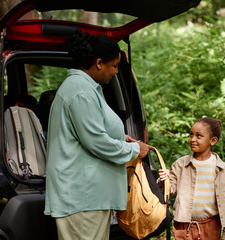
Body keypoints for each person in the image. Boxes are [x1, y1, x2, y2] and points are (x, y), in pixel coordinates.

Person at [44, 31, 153, 240]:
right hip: (82, 198)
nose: (115, 72)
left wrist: (122, 139)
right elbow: (96, 141)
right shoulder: (81, 92)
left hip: (88, 198)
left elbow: (94, 131)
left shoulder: (87, 88)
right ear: (99, 62)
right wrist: (134, 149)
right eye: (114, 66)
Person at [159, 117, 225, 240]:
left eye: (199, 136)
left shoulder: (223, 170)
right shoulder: (180, 165)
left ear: (213, 141)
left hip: (211, 226)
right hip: (183, 227)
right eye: (191, 134)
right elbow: (169, 191)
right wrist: (164, 180)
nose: (193, 139)